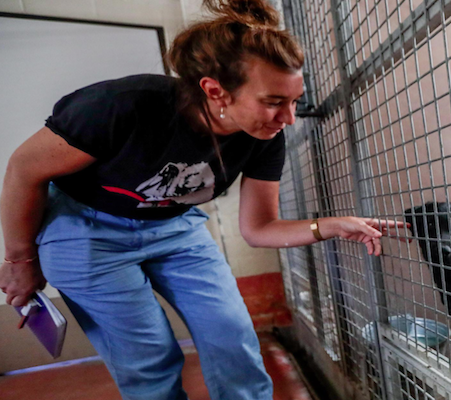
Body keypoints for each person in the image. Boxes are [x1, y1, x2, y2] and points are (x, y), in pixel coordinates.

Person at [0, 0, 406, 398]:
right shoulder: (122, 105)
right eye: (273, 102)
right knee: (149, 359)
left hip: (175, 229)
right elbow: (23, 170)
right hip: (86, 231)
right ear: (216, 91)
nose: (289, 119)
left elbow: (259, 228)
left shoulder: (264, 137)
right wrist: (21, 260)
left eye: (294, 100)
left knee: (232, 337)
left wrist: (331, 226)